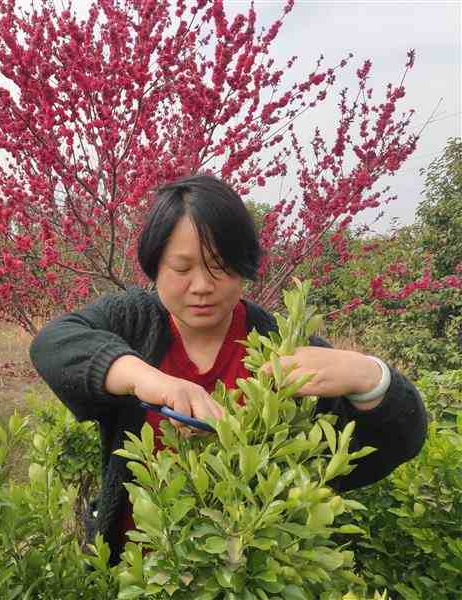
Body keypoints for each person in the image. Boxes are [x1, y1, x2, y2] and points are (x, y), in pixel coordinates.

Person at [29, 174, 427, 564]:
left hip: (249, 575)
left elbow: (395, 444)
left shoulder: (282, 345)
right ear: (155, 268)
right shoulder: (134, 321)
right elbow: (54, 343)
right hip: (137, 570)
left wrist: (372, 379)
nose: (201, 285)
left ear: (244, 265)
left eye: (219, 266)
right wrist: (147, 379)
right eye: (182, 269)